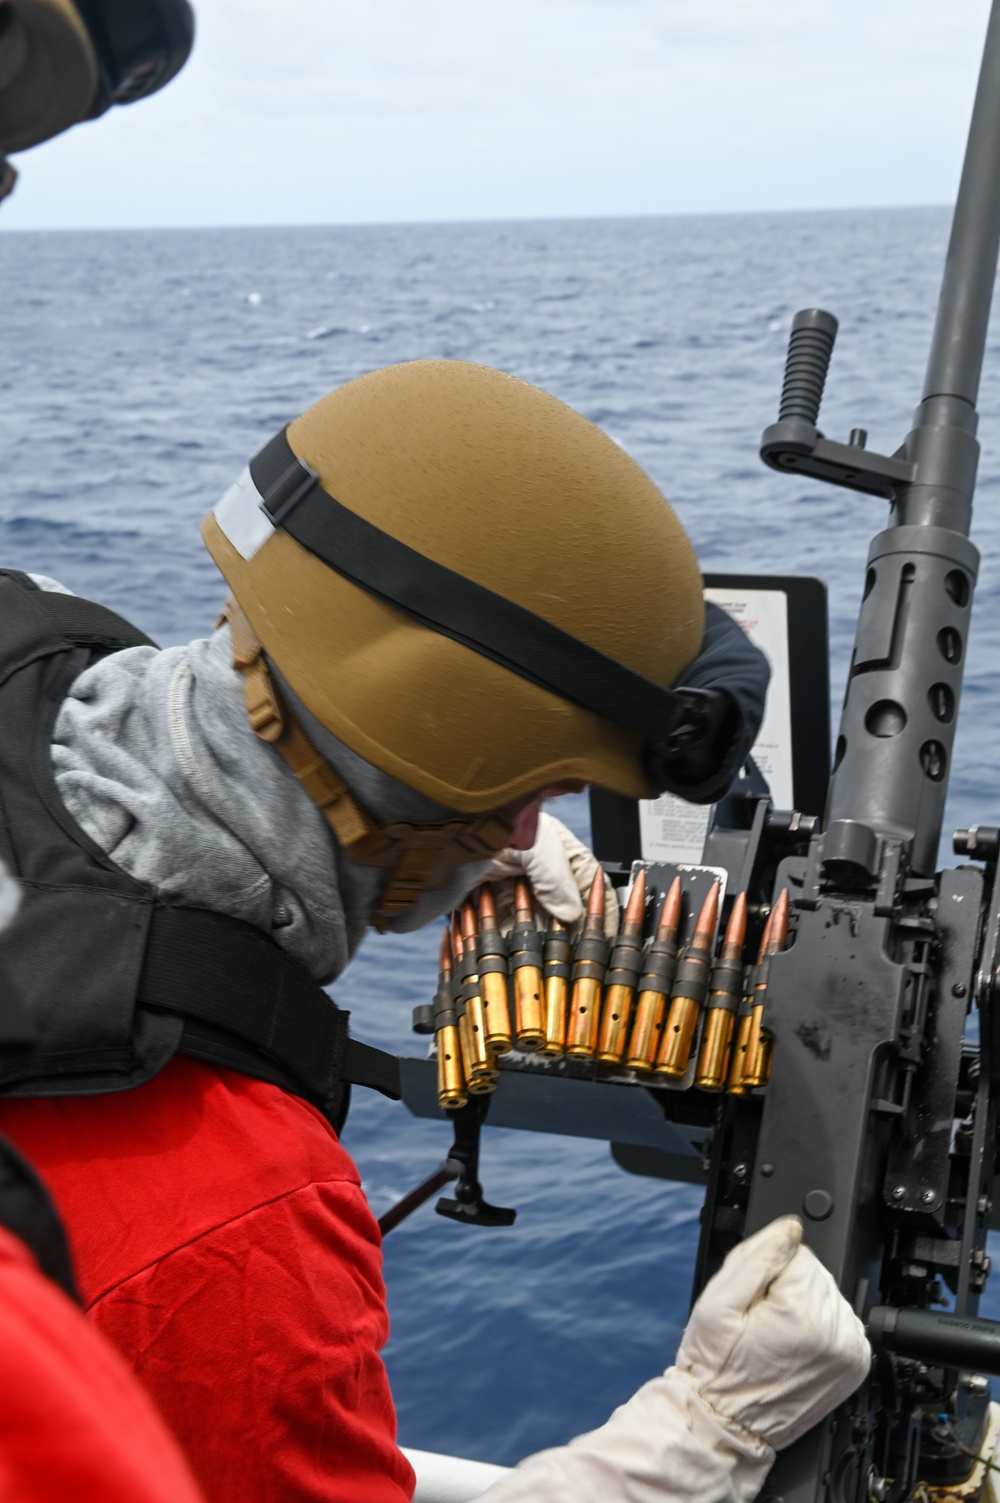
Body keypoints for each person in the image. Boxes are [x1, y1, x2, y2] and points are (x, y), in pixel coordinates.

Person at [0, 6, 868, 1502]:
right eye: (523, 795)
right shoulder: (242, 1223)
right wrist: (707, 1430)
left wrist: (483, 812)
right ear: (497, 790)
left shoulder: (32, 635)